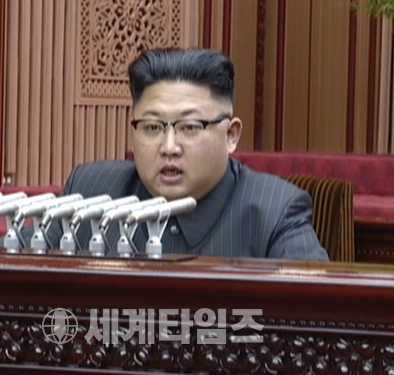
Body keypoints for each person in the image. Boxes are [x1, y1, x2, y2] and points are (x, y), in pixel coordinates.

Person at [32, 47, 328, 260]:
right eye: (152, 127)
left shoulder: (274, 212)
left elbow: (317, 312)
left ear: (231, 135)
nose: (169, 147)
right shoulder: (90, 192)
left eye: (189, 127)